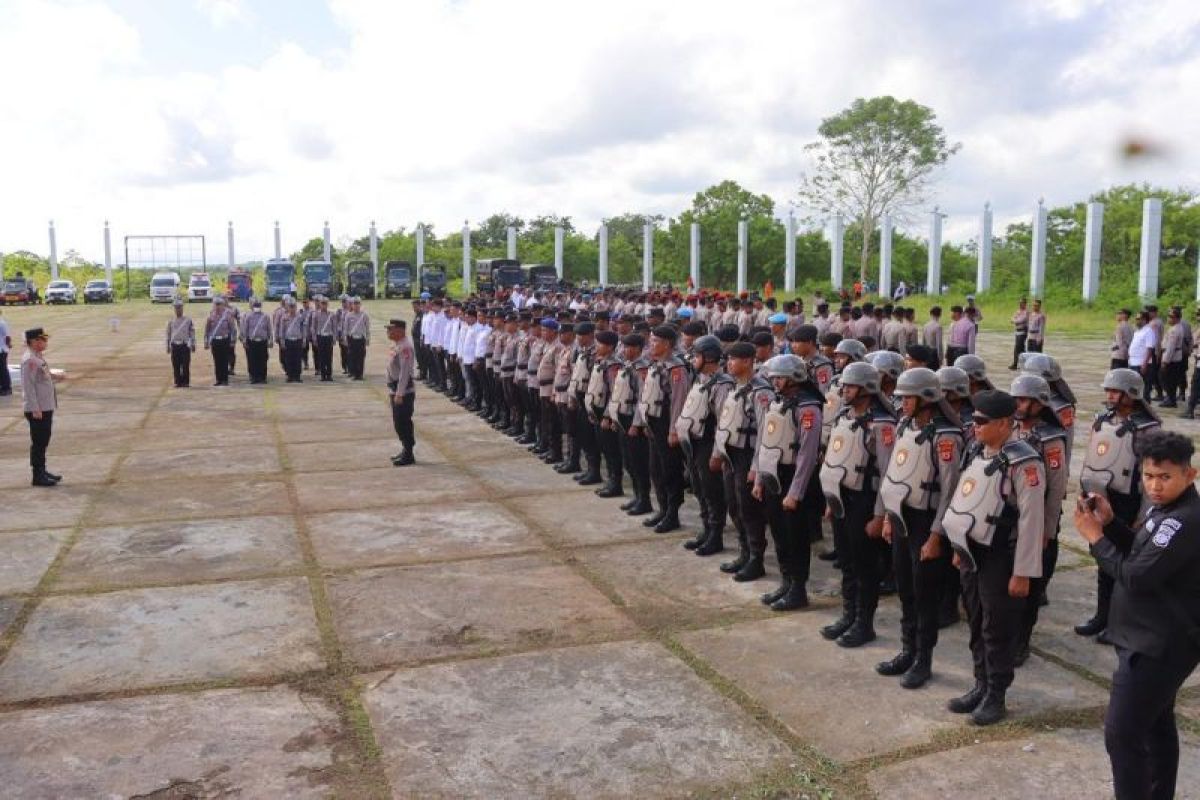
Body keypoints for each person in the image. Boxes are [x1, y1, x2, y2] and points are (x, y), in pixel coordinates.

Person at [1074, 430, 1200, 800]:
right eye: (1148, 476)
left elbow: (1137, 577)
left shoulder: (1182, 520)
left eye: (1165, 477)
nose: (1155, 486)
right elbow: (1144, 555)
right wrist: (1111, 524)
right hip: (1150, 637)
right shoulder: (1165, 509)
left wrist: (1096, 538)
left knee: (1122, 734)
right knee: (1156, 725)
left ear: (1190, 474)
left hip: (1158, 645)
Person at [941, 390, 1045, 726]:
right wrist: (958, 547)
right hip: (972, 552)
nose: (974, 425)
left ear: (1003, 423)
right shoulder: (976, 450)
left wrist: (1023, 572)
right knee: (975, 620)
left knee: (996, 628)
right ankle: (980, 684)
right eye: (974, 419)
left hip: (1002, 556)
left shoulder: (1024, 462)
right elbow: (965, 500)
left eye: (981, 421)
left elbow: (1032, 520)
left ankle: (996, 695)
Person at [875, 367, 963, 688]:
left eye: (908, 398)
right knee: (906, 588)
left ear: (926, 398)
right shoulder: (904, 425)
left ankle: (923, 659)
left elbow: (950, 491)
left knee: (925, 594)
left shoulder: (945, 437)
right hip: (903, 518)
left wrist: (937, 536)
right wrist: (888, 516)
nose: (902, 403)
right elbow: (894, 473)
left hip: (927, 523)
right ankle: (907, 649)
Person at [1075, 368, 1162, 643]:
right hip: (1101, 497)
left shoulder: (1148, 429)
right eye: (1108, 391)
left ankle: (1118, 624)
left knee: (1121, 565)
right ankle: (1102, 617)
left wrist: (1144, 514)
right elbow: (1092, 459)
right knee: (1103, 561)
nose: (1110, 395)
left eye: (1116, 391)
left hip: (1127, 504)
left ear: (1132, 394)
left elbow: (1151, 474)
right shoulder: (1103, 420)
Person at [819, 360, 897, 644]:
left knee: (865, 566)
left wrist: (879, 515)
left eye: (851, 386)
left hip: (866, 500)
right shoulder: (844, 416)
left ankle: (864, 623)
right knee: (847, 561)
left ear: (867, 389)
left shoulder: (882, 425)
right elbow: (834, 458)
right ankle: (848, 614)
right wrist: (831, 499)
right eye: (845, 386)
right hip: (842, 498)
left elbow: (888, 473)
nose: (845, 390)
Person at [753, 354, 825, 611]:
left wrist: (795, 492)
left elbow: (807, 455)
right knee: (779, 533)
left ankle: (798, 588)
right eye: (774, 377)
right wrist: (760, 477)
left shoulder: (808, 409)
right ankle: (786, 581)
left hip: (794, 477)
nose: (775, 382)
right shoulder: (777, 402)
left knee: (796, 537)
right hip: (774, 475)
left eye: (780, 377)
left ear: (794, 378)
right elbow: (765, 441)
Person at [677, 334, 735, 555]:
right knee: (699, 488)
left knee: (712, 492)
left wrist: (717, 453)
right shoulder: (700, 379)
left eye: (697, 356)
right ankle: (706, 529)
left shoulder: (722, 384)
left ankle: (716, 535)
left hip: (709, 443)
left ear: (709, 357)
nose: (693, 360)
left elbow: (723, 422)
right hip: (694, 442)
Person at [638, 325, 691, 533]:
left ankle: (672, 513)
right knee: (656, 468)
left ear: (667, 344)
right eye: (651, 340)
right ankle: (662, 508)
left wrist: (673, 430)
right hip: (653, 423)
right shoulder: (656, 364)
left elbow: (678, 400)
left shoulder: (676, 368)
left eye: (655, 341)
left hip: (666, 423)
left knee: (670, 470)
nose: (651, 344)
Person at [21, 328, 64, 486]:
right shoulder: (30, 360)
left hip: (45, 405)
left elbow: (42, 375)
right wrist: (35, 408)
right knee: (39, 442)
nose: (46, 342)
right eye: (43, 340)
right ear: (34, 341)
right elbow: (28, 386)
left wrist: (55, 376)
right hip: (38, 409)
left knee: (43, 440)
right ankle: (37, 475)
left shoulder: (37, 356)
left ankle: (42, 470)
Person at [385, 319, 417, 466]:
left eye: (391, 329)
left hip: (403, 393)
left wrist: (399, 393)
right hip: (395, 389)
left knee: (403, 422)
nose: (388, 332)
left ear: (400, 330)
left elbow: (405, 372)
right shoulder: (397, 345)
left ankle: (409, 454)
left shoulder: (405, 347)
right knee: (398, 422)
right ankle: (405, 449)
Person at [203, 296, 237, 386]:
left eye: (219, 304)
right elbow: (207, 330)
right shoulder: (210, 317)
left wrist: (233, 340)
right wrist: (206, 341)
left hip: (225, 340)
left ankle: (225, 380)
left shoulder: (227, 316)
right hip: (215, 341)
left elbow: (233, 329)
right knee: (217, 361)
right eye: (216, 304)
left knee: (224, 360)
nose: (217, 306)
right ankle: (218, 379)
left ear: (223, 305)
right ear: (213, 305)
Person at [240, 298, 273, 384]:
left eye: (258, 306)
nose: (257, 307)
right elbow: (245, 329)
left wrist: (271, 340)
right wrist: (244, 340)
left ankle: (262, 377)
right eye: (256, 306)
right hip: (252, 341)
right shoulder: (248, 316)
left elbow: (269, 329)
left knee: (263, 360)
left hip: (263, 341)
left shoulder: (265, 317)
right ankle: (254, 377)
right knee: (252, 360)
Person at [165, 298, 195, 388]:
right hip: (175, 345)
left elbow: (192, 332)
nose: (178, 309)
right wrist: (167, 345)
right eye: (176, 307)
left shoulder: (188, 320)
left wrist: (193, 343)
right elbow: (168, 333)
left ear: (182, 308)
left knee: (185, 364)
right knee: (176, 365)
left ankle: (186, 382)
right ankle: (177, 381)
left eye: (179, 307)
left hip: (185, 345)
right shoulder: (171, 321)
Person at [309, 295, 337, 382]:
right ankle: (323, 375)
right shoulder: (316, 314)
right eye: (322, 303)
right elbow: (313, 327)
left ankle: (329, 375)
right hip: (320, 337)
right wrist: (314, 339)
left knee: (329, 357)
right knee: (321, 357)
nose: (324, 305)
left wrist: (334, 338)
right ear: (320, 304)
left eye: (325, 303)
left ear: (328, 304)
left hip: (328, 337)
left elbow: (334, 327)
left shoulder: (332, 314)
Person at [343, 297, 370, 380]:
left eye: (358, 303)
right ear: (352, 305)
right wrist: (345, 339)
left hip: (361, 338)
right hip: (352, 339)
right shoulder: (348, 315)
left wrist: (368, 338)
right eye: (355, 304)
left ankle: (360, 374)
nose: (356, 305)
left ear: (360, 305)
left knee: (361, 357)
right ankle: (354, 374)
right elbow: (346, 328)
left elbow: (367, 328)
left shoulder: (364, 315)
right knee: (352, 357)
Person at [1009, 298, 1028, 369]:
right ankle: (1021, 363)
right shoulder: (1017, 311)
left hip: (1023, 331)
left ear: (1025, 304)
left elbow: (1021, 320)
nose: (1020, 304)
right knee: (1020, 348)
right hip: (1017, 331)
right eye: (1019, 303)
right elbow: (1012, 319)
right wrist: (1015, 320)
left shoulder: (1026, 312)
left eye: (1022, 303)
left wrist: (1015, 320)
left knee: (1018, 347)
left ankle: (1016, 364)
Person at [0, 309, 12, 396]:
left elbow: (7, 336)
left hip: (2, 349)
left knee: (3, 369)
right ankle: (2, 386)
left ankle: (7, 388)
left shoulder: (2, 323)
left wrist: (8, 344)